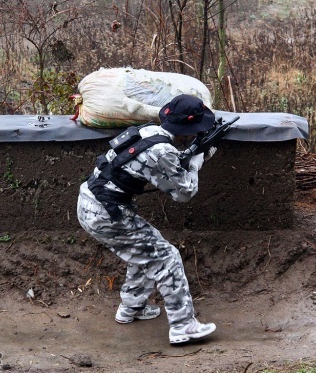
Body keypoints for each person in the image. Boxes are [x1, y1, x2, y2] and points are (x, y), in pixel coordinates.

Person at [77, 94, 217, 345]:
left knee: (145, 251)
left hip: (93, 203)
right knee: (166, 257)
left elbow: (158, 161)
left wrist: (192, 153)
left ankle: (131, 308)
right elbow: (184, 193)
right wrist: (196, 163)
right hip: (105, 212)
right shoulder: (161, 150)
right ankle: (183, 326)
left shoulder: (150, 132)